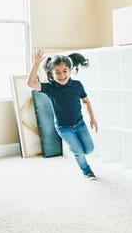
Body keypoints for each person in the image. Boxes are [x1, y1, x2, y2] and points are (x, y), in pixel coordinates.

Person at [27, 49, 98, 180]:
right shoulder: (50, 87)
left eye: (65, 71)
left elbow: (86, 101)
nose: (61, 75)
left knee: (89, 150)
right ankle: (87, 171)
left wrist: (93, 118)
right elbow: (30, 83)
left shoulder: (77, 85)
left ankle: (75, 149)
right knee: (79, 152)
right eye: (57, 72)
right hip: (63, 128)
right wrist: (36, 63)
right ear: (51, 73)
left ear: (70, 70)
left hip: (80, 124)